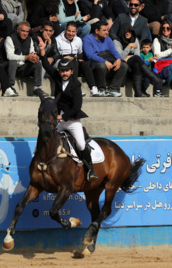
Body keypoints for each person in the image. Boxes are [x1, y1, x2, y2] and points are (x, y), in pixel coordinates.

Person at [38, 40, 98, 182]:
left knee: (81, 144)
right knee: (46, 137)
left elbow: (76, 107)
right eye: (62, 71)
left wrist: (61, 116)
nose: (64, 73)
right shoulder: (58, 78)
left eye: (66, 71)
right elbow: (46, 65)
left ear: (71, 71)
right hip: (58, 121)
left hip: (71, 121)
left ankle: (90, 170)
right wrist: (42, 52)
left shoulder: (76, 85)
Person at [113, 23, 162, 97]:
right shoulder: (116, 41)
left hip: (133, 64)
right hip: (123, 65)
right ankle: (154, 79)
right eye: (126, 31)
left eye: (130, 31)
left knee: (136, 63)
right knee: (136, 60)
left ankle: (138, 93)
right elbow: (120, 57)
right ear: (122, 31)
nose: (128, 33)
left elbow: (137, 55)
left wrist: (129, 57)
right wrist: (129, 46)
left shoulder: (134, 39)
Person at [83, 20, 128, 97]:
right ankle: (101, 89)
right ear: (97, 31)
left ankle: (113, 89)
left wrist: (118, 59)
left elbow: (114, 51)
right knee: (101, 66)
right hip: (95, 63)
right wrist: (105, 61)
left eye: (107, 30)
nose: (107, 32)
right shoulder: (88, 38)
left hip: (109, 61)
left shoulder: (108, 39)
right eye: (104, 30)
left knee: (124, 66)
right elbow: (89, 55)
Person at [56, 21, 98, 97]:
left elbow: (80, 53)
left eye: (73, 32)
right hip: (61, 61)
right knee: (73, 63)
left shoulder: (78, 40)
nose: (70, 34)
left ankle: (93, 88)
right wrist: (64, 57)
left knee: (84, 64)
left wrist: (78, 58)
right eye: (69, 31)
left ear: (76, 31)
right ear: (65, 29)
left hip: (74, 60)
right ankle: (75, 89)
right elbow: (55, 55)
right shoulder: (58, 40)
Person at [4, 21, 46, 97]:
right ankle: (11, 87)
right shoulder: (10, 38)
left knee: (38, 62)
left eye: (27, 32)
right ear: (18, 30)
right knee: (12, 61)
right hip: (12, 68)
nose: (25, 33)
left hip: (23, 68)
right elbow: (9, 56)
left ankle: (37, 88)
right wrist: (26, 57)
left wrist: (34, 57)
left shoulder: (30, 39)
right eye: (23, 31)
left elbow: (32, 53)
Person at [152, 20, 172, 97]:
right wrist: (170, 50)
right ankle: (166, 84)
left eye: (168, 28)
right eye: (163, 28)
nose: (165, 30)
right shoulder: (157, 40)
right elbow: (157, 55)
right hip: (160, 63)